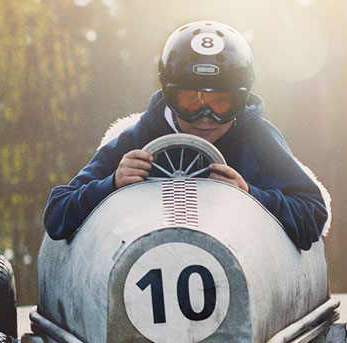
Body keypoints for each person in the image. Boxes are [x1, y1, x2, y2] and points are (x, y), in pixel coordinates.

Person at [44, 21, 331, 250]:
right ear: (169, 95)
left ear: (241, 100)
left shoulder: (258, 138)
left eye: (221, 102)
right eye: (191, 102)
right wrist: (112, 184)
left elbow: (314, 213)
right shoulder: (137, 138)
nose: (206, 116)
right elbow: (57, 214)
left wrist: (251, 197)